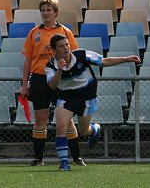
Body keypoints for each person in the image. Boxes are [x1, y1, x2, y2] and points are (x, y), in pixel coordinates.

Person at [45, 34, 141, 171]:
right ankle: (64, 163)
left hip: (86, 97)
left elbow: (104, 61)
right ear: (54, 50)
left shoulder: (83, 55)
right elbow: (52, 85)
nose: (66, 48)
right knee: (61, 127)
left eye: (67, 44)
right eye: (61, 46)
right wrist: (60, 69)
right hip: (66, 98)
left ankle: (94, 129)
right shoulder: (50, 66)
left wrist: (126, 59)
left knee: (83, 131)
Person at [20, 0, 86, 166]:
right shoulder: (34, 32)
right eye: (43, 10)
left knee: (66, 120)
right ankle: (38, 159)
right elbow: (27, 61)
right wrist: (24, 85)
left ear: (56, 12)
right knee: (40, 119)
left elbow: (74, 57)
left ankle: (77, 157)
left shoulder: (65, 32)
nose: (45, 13)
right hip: (39, 80)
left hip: (61, 80)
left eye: (48, 10)